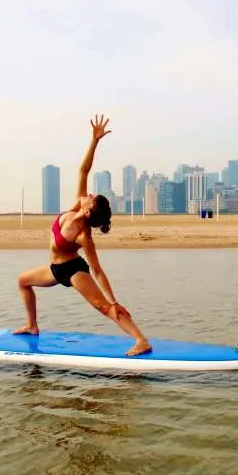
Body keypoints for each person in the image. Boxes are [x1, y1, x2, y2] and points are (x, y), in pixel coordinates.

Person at [13, 114, 152, 357]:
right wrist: (95, 140)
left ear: (88, 210)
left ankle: (141, 340)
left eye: (91, 197)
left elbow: (97, 270)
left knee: (103, 307)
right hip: (54, 269)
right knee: (23, 281)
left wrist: (113, 300)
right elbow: (83, 169)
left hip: (74, 271)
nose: (88, 194)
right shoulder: (77, 206)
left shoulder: (83, 236)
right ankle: (32, 325)